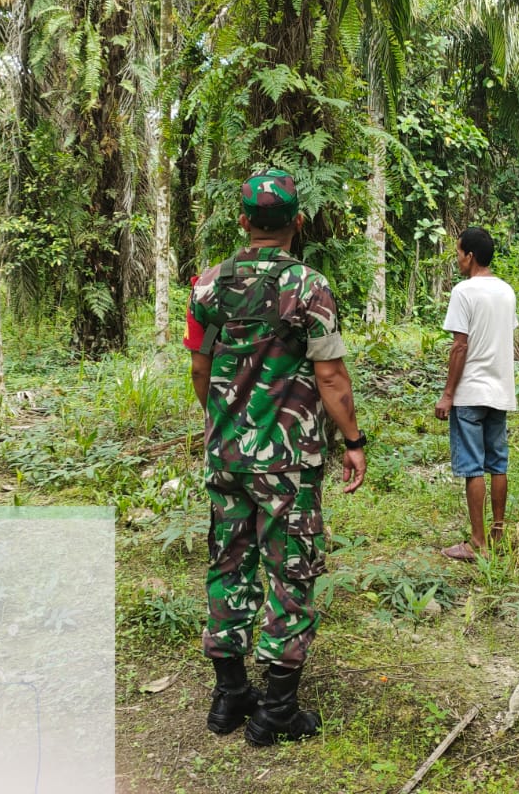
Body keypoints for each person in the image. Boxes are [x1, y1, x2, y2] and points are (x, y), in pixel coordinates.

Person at [184, 169, 367, 746]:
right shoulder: (309, 288)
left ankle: (230, 695)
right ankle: (277, 709)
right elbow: (330, 377)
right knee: (291, 571)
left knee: (228, 565)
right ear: (298, 222)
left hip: (226, 456)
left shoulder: (207, 287)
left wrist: (225, 425)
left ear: (243, 221)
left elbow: (199, 369)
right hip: (287, 461)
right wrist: (354, 441)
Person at [435, 227, 518, 561]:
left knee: (472, 467)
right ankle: (497, 534)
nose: (457, 259)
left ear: (470, 256)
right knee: (497, 464)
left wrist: (447, 394)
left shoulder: (464, 291)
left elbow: (460, 346)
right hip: (500, 390)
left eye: (458, 253)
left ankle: (477, 542)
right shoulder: (506, 291)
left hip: (470, 392)